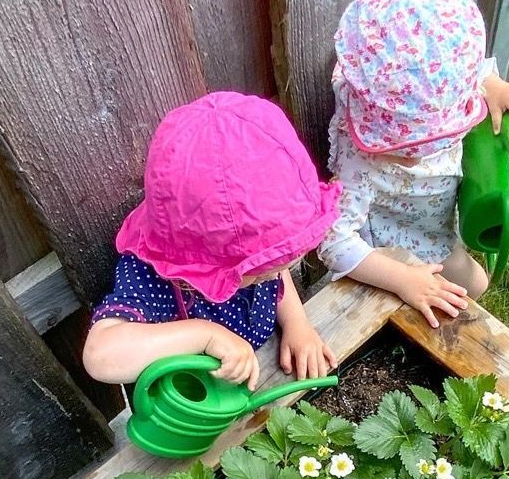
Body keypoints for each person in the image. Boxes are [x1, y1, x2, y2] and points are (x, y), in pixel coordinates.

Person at [317, 0, 509, 327]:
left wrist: (493, 85)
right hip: (401, 245)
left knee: (473, 285)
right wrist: (403, 279)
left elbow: (463, 69)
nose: (417, 154)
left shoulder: (431, 76)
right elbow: (334, 242)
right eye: (408, 146)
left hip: (437, 219)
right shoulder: (362, 161)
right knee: (471, 286)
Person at [83, 92, 339, 390]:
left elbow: (274, 268)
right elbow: (99, 356)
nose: (275, 277)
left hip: (259, 372)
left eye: (281, 266)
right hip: (201, 402)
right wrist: (205, 335)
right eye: (260, 274)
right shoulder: (154, 276)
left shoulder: (260, 253)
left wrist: (297, 324)